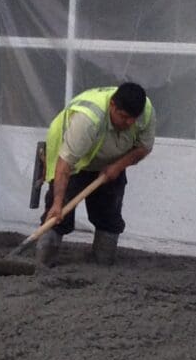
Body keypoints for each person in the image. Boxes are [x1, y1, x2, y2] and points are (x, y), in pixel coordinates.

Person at [38, 80, 154, 268]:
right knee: (58, 213)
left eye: (133, 119)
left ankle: (103, 262)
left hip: (110, 160)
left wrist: (118, 166)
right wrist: (58, 203)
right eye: (124, 117)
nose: (129, 123)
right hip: (73, 158)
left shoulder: (146, 112)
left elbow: (144, 147)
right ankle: (43, 261)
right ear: (112, 106)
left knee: (109, 212)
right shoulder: (87, 120)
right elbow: (65, 165)